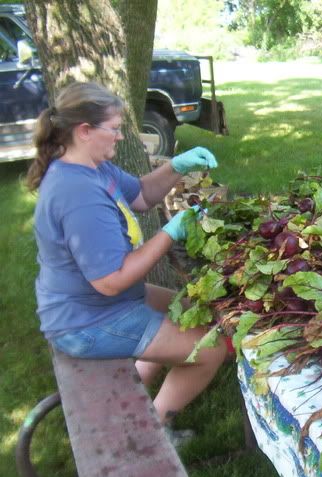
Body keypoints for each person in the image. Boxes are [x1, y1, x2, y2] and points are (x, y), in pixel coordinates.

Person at [27, 82, 227, 441]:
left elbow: (142, 195)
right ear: (84, 131)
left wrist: (178, 166)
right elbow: (112, 280)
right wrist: (170, 233)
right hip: (86, 320)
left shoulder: (91, 167)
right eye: (115, 129)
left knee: (190, 308)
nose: (120, 137)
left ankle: (138, 387)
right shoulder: (78, 195)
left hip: (101, 303)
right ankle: (153, 435)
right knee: (210, 348)